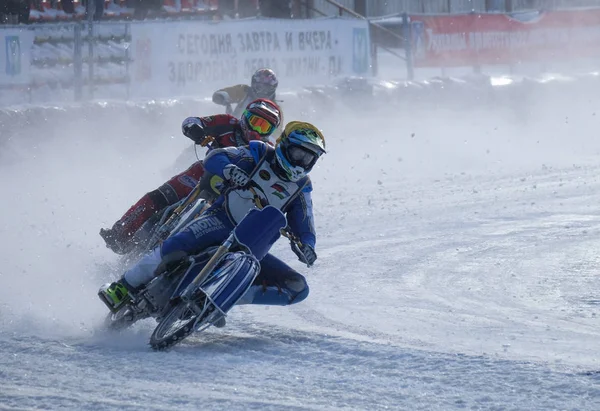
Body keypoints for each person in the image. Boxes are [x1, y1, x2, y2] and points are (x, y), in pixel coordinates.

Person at [99, 121, 326, 324]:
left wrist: (308, 245)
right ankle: (124, 285)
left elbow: (305, 222)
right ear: (284, 145)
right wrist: (229, 169)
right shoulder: (258, 153)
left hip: (253, 246)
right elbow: (217, 156)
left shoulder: (302, 187)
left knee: (298, 288)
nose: (302, 162)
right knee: (176, 244)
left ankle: (216, 300)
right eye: (299, 154)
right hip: (221, 220)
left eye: (309, 158)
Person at [100, 98, 282, 255]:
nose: (256, 129)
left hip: (232, 193)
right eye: (254, 121)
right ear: (244, 116)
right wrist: (197, 131)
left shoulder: (267, 150)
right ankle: (120, 233)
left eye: (264, 126)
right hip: (202, 173)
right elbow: (192, 121)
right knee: (159, 196)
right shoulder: (228, 123)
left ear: (270, 132)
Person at [212, 68, 279, 119]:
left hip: (257, 136)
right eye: (260, 87)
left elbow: (276, 135)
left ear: (272, 88)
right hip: (235, 129)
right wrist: (222, 97)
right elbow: (224, 94)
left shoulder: (276, 110)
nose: (263, 92)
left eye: (266, 88)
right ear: (254, 83)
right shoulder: (244, 91)